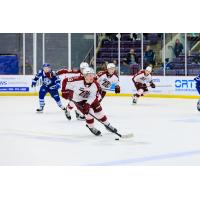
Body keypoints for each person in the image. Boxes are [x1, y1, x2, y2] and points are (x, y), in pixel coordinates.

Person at [62, 68, 117, 136]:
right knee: (89, 113)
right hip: (79, 99)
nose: (92, 77)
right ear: (84, 76)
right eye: (89, 75)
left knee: (100, 113)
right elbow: (65, 80)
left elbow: (93, 97)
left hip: (91, 99)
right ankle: (91, 127)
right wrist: (64, 91)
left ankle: (107, 125)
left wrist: (87, 104)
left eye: (92, 75)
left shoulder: (95, 85)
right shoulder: (76, 80)